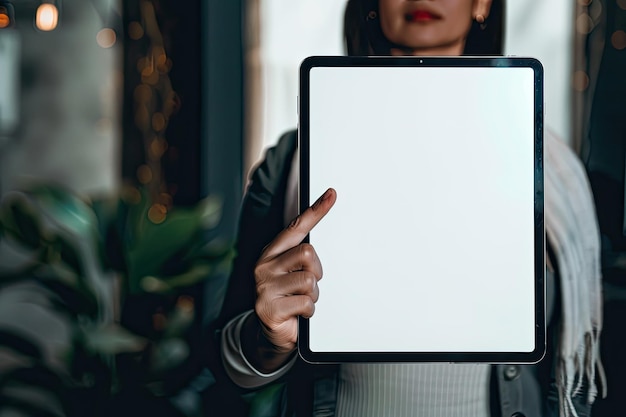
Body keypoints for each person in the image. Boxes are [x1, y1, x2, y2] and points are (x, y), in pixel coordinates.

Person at [213, 0, 606, 416]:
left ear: (482, 3)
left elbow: (579, 375)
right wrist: (266, 338)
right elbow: (226, 365)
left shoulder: (549, 166)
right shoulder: (291, 160)